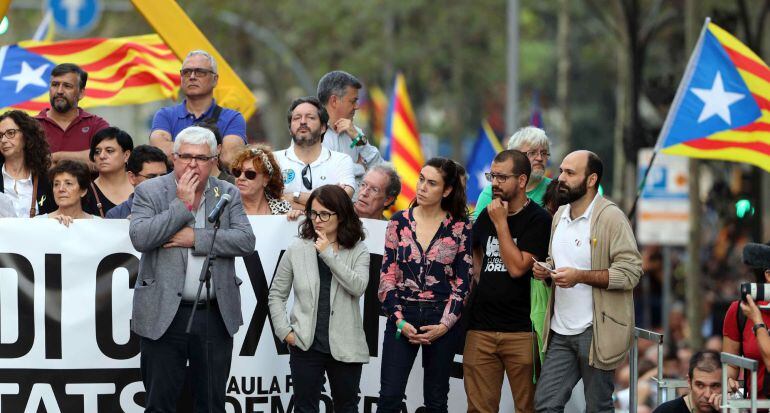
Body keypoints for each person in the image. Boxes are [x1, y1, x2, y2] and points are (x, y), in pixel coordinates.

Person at [129, 126, 255, 412]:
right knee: (160, 403)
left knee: (211, 403)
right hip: (163, 313)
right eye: (185, 156)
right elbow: (141, 237)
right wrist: (181, 206)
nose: (192, 163)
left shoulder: (226, 192)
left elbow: (246, 241)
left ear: (214, 160)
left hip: (213, 313)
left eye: (201, 157)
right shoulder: (150, 190)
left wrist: (196, 238)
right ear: (174, 157)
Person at [532, 150, 642, 413]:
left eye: (570, 173)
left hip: (597, 331)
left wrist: (580, 276)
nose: (560, 178)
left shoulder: (611, 217)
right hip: (560, 331)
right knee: (545, 404)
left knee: (598, 408)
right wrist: (547, 270)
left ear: (591, 180)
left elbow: (631, 272)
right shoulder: (559, 215)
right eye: (561, 171)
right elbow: (557, 259)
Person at [377, 157, 472, 413]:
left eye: (432, 183)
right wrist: (398, 319)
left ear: (447, 190)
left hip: (441, 318)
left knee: (436, 399)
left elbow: (464, 281)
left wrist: (444, 325)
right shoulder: (399, 221)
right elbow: (387, 275)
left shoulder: (461, 227)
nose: (422, 187)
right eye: (421, 179)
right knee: (389, 397)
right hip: (402, 316)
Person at [464, 150, 552, 413]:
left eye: (502, 177)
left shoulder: (538, 219)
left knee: (527, 408)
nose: (494, 183)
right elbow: (475, 248)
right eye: (493, 175)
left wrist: (502, 224)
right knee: (479, 409)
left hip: (521, 332)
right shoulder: (486, 214)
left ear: (522, 180)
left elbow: (516, 268)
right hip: (480, 328)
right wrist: (480, 277)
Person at [268, 185, 369, 412]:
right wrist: (285, 332)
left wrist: (328, 254)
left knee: (347, 407)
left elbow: (358, 287)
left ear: (341, 214)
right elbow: (276, 294)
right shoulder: (297, 248)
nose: (317, 220)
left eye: (324, 214)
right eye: (313, 213)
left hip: (346, 345)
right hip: (305, 344)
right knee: (305, 407)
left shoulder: (358, 250)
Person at [149, 50, 247, 170]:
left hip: (216, 188)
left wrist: (180, 151)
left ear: (215, 79)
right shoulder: (165, 115)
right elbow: (160, 153)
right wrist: (209, 152)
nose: (192, 77)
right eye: (186, 72)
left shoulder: (233, 118)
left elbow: (229, 157)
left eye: (200, 72)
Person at [274, 97, 355, 208]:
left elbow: (342, 199)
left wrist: (294, 196)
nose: (302, 122)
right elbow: (269, 201)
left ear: (323, 128)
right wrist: (326, 201)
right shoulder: (273, 160)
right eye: (297, 118)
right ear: (289, 128)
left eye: (310, 117)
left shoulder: (341, 160)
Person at [317, 70, 383, 188]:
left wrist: (359, 139)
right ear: (334, 101)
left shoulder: (355, 132)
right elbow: (322, 174)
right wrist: (361, 168)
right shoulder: (310, 133)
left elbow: (380, 170)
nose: (357, 106)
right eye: (353, 101)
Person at [34, 63, 110, 165]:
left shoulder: (96, 125)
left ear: (81, 93)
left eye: (67, 86)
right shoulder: (32, 125)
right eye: (55, 85)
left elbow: (105, 159)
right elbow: (25, 163)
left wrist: (57, 156)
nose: (59, 91)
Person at [723, 241, 770, 398]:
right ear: (768, 275)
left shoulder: (753, 316)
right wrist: (728, 380)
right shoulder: (740, 311)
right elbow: (730, 364)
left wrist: (757, 322)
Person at [473, 126, 552, 220]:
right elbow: (477, 232)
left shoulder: (555, 190)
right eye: (532, 153)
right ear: (514, 157)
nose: (539, 158)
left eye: (543, 153)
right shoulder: (492, 192)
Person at [0, 110, 56, 216]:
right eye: (0, 135)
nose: (3, 140)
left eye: (10, 133)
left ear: (26, 136)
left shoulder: (47, 179)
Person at [105, 145, 169, 219]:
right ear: (132, 177)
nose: (160, 182)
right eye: (151, 177)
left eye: (164, 176)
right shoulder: (116, 216)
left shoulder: (178, 209)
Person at [82, 127, 134, 217]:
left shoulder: (142, 186)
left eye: (109, 151)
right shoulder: (85, 192)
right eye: (97, 152)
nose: (102, 156)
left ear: (126, 155)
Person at [652, 350, 724, 413]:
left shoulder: (729, 410)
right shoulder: (666, 411)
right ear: (689, 382)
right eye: (700, 385)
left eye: (715, 386)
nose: (707, 395)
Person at [230, 144, 291, 215]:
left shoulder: (283, 210)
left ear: (266, 179)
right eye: (237, 172)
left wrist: (295, 217)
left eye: (250, 174)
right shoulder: (224, 209)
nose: (241, 178)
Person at [36, 160, 99, 225]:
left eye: (68, 183)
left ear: (83, 191)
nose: (61, 189)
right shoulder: (38, 223)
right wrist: (52, 226)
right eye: (56, 184)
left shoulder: (99, 224)